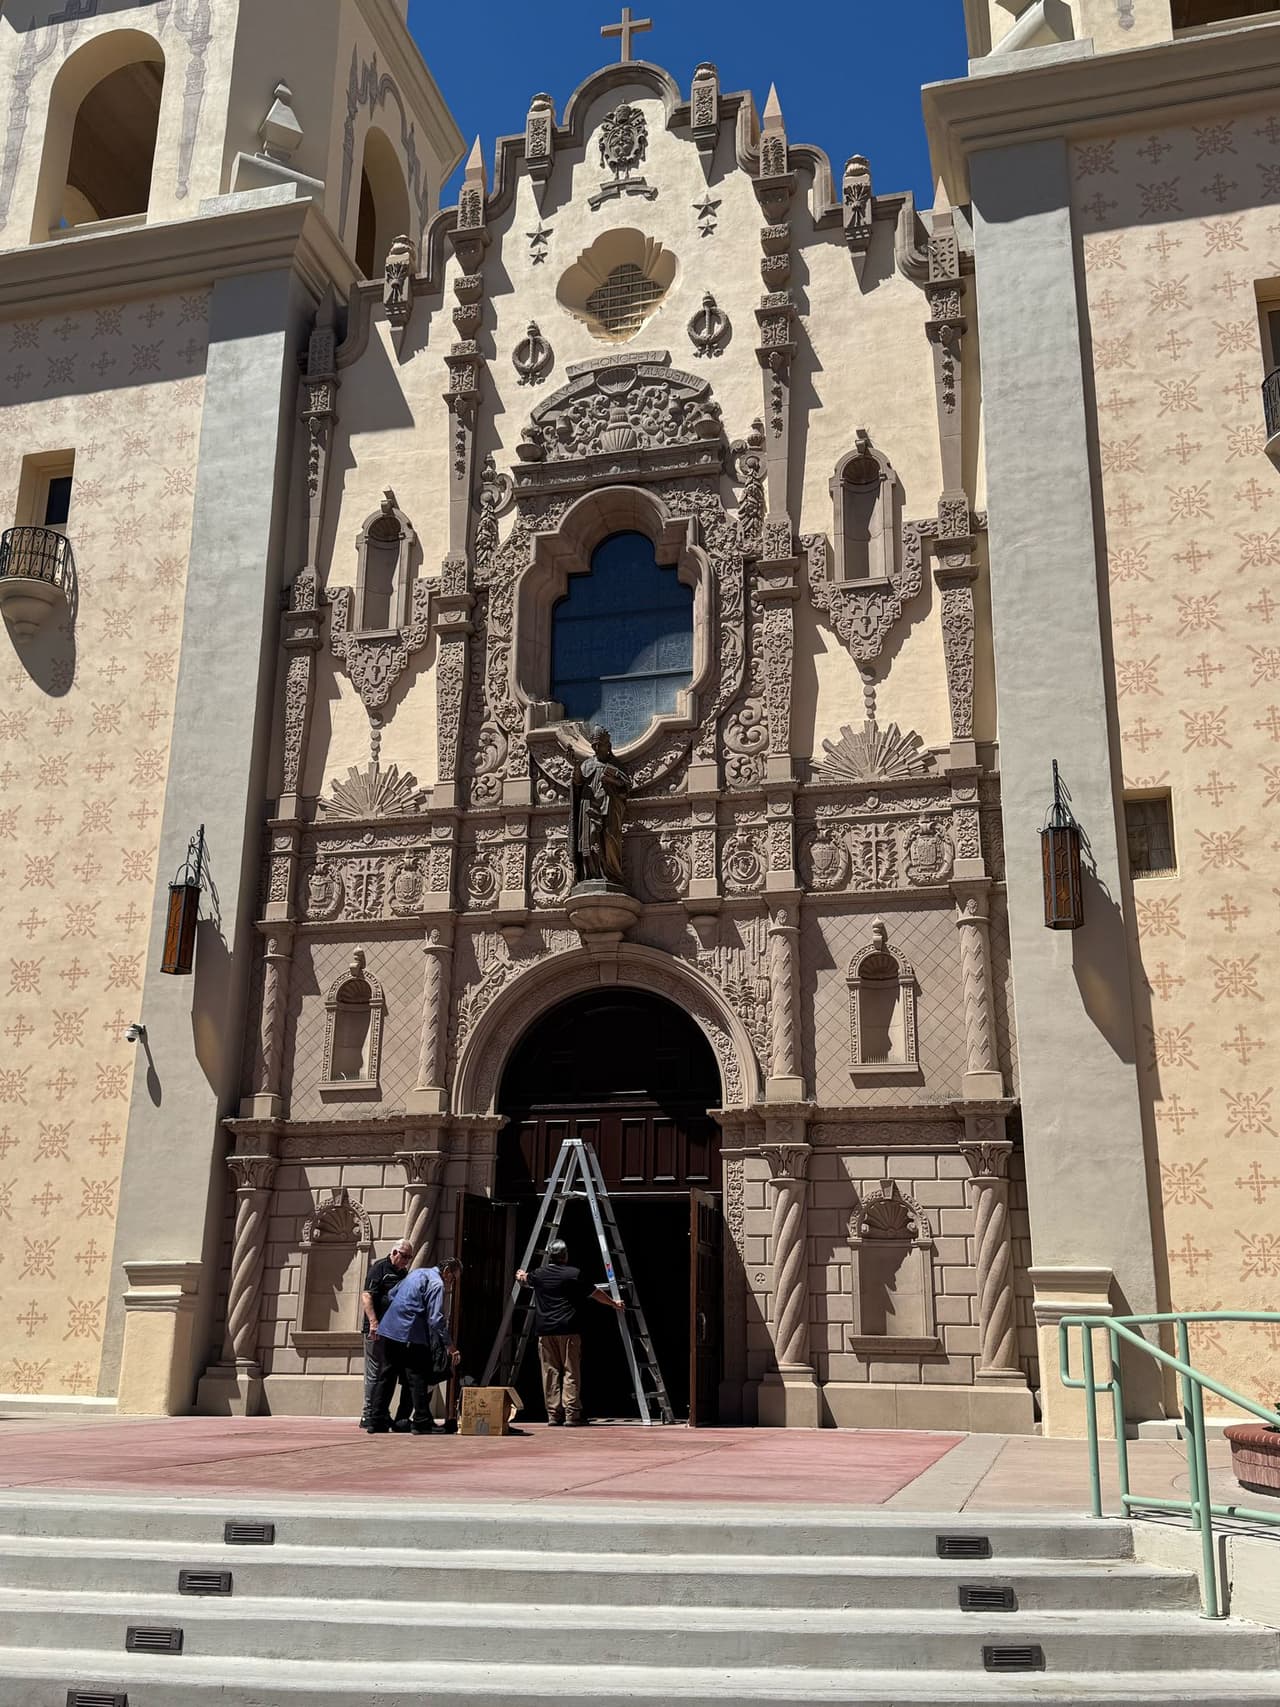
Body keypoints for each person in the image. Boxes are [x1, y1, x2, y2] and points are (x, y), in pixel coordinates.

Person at [516, 1239, 624, 1427]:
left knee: (549, 1372)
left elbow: (524, 1279)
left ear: (549, 1255)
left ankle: (553, 1415)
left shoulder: (538, 1275)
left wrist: (520, 1275)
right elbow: (594, 1293)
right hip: (568, 1329)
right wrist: (613, 1304)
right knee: (570, 1371)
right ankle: (572, 1414)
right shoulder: (573, 1274)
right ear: (565, 1256)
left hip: (545, 1330)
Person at [366, 1257, 462, 1435]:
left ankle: (376, 1420)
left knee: (387, 1375)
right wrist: (450, 1346)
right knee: (417, 1376)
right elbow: (436, 1319)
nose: (452, 1283)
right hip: (410, 1332)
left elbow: (393, 1294)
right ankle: (421, 1422)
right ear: (447, 1271)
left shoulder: (417, 1273)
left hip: (389, 1328)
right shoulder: (437, 1284)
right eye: (453, 1278)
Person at [358, 1238, 413, 1431]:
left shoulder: (403, 1273)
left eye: (409, 1257)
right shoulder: (379, 1268)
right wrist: (373, 1323)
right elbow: (367, 1295)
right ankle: (368, 1414)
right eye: (404, 1256)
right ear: (394, 1252)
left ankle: (381, 1414)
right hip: (376, 1329)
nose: (406, 1260)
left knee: (387, 1374)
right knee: (374, 1373)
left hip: (393, 1332)